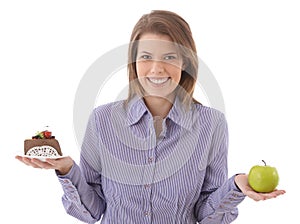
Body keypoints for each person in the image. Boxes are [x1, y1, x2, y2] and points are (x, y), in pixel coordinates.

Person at [16, 10, 285, 223]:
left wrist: (236, 186)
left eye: (169, 56)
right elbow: (92, 212)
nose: (157, 68)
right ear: (133, 62)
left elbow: (207, 215)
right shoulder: (102, 120)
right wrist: (66, 170)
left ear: (186, 62)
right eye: (146, 56)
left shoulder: (211, 124)